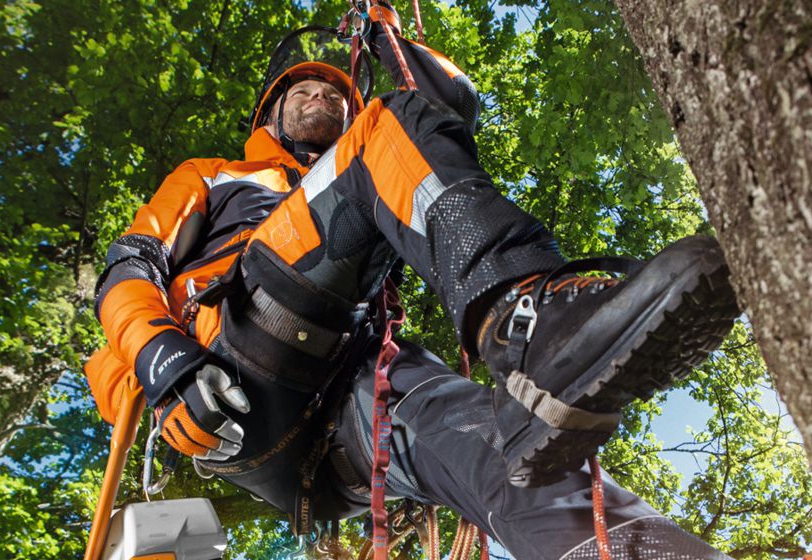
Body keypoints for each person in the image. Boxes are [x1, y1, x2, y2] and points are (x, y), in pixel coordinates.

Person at [83, 7, 740, 559]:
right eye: (302, 93)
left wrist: (384, 33)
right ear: (270, 113)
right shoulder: (215, 174)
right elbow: (130, 263)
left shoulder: (378, 163)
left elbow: (446, 107)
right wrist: (160, 361)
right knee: (384, 135)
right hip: (232, 367)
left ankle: (636, 547)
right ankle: (522, 320)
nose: (323, 99)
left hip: (352, 401)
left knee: (511, 451)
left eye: (337, 94)